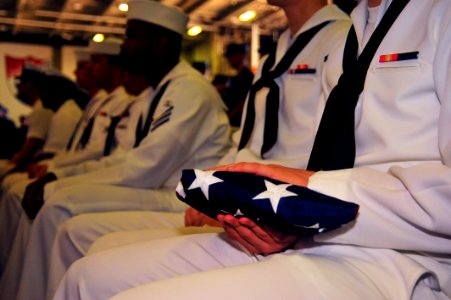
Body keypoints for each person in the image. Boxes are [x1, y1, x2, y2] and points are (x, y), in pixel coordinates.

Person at [54, 0, 451, 299]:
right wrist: (279, 213)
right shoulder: (355, 33)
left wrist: (311, 196)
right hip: (318, 231)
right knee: (86, 277)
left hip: (409, 256)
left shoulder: (436, 14)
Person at [0, 1, 231, 299]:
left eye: (132, 37)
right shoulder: (158, 91)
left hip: (177, 195)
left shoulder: (189, 90)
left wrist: (61, 179)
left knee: (59, 202)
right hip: (155, 185)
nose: (124, 47)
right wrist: (59, 174)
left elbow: (144, 168)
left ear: (160, 43)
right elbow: (124, 158)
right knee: (54, 197)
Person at [222, 43, 254, 127]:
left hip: (241, 124)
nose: (229, 59)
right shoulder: (235, 78)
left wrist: (228, 117)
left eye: (232, 55)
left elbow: (244, 101)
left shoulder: (248, 77)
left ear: (242, 56)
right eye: (228, 56)